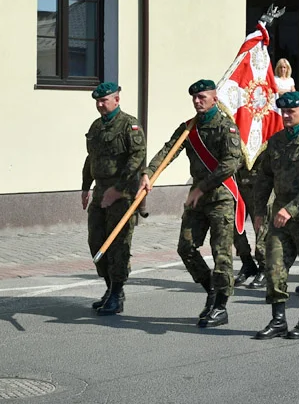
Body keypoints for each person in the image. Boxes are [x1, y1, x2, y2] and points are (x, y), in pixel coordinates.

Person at [139, 80, 242, 328]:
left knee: (221, 254)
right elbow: (168, 151)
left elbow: (231, 163)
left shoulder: (226, 128)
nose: (197, 101)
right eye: (194, 98)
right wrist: (148, 173)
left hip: (220, 197)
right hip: (198, 198)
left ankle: (220, 306)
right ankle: (212, 290)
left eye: (202, 97)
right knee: (186, 247)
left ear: (215, 99)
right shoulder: (189, 128)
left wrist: (202, 187)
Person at [253, 91, 299, 340]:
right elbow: (264, 178)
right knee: (273, 266)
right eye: (283, 112)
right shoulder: (275, 142)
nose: (286, 116)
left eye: (291, 112)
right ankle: (278, 320)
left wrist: (291, 209)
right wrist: (258, 211)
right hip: (280, 216)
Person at [82, 82, 147, 316]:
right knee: (96, 242)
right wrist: (85, 187)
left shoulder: (129, 125)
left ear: (116, 100)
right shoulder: (96, 127)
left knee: (118, 245)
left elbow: (137, 158)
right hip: (100, 192)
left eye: (104, 100)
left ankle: (117, 293)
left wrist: (118, 189)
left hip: (122, 195)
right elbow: (91, 159)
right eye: (97, 101)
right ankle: (110, 289)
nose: (100, 105)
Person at [233, 150, 269, 288]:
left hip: (259, 185)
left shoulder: (268, 129)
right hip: (238, 183)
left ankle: (264, 268)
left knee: (260, 228)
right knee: (233, 226)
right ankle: (247, 263)